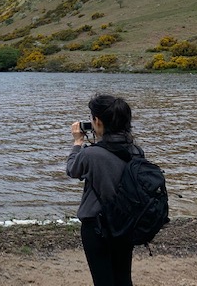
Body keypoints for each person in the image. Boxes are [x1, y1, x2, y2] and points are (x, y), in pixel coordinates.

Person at [66, 94, 144, 286]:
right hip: (125, 223)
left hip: (97, 227)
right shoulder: (136, 151)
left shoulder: (91, 154)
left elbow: (72, 170)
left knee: (103, 280)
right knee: (123, 277)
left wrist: (77, 143)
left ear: (98, 121)